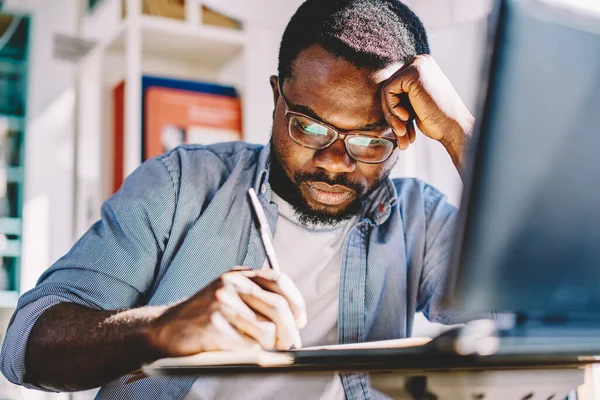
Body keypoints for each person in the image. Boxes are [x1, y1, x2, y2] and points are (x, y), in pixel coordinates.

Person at [0, 0, 476, 398]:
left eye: (371, 141)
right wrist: (159, 330)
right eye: (308, 127)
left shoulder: (421, 220)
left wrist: (460, 130)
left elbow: (543, 321)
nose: (334, 162)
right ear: (275, 97)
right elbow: (27, 345)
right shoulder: (182, 183)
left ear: (408, 131)